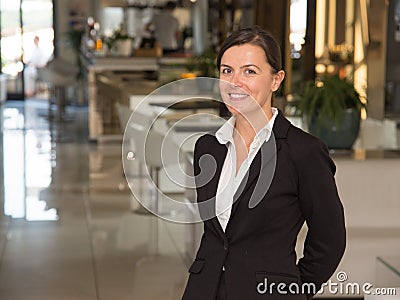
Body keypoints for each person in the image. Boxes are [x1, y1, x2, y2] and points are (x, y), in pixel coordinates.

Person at [182, 26, 346, 300]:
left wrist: (293, 291)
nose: (235, 82)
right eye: (227, 71)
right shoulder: (207, 148)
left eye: (249, 71)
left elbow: (330, 241)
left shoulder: (303, 152)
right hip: (203, 290)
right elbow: (217, 235)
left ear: (276, 80)